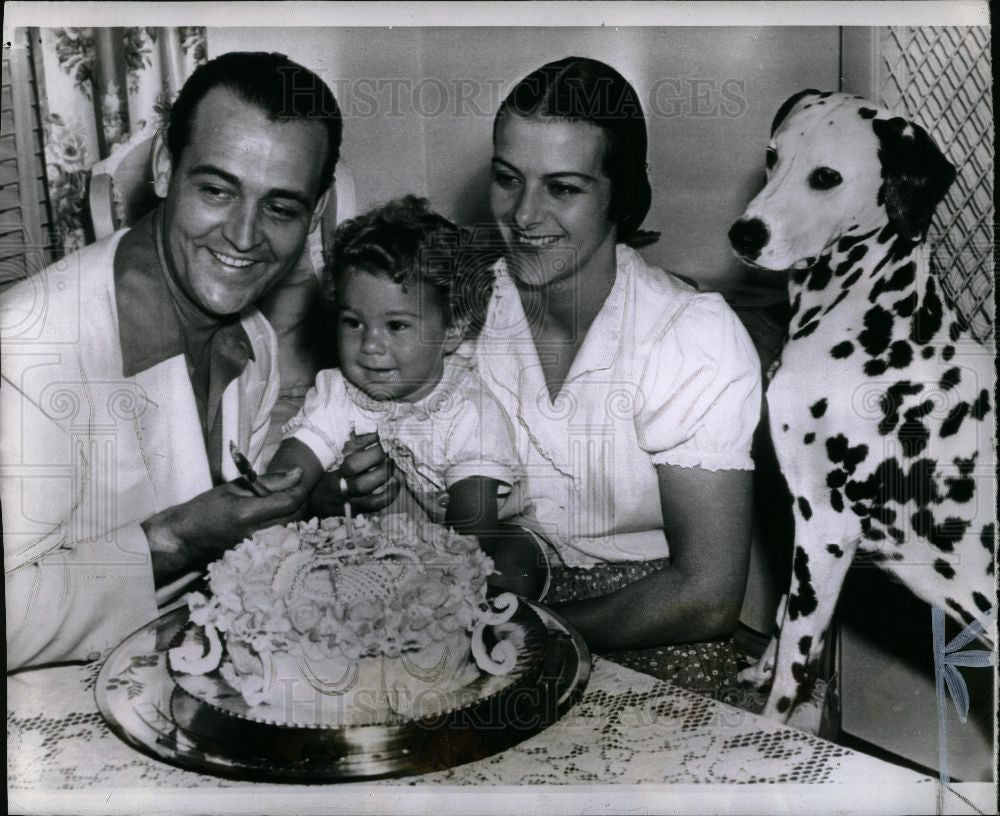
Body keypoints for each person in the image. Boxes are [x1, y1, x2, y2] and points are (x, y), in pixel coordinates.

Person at [317, 57, 763, 695]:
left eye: (563, 188)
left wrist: (517, 631)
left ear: (621, 194)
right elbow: (426, 500)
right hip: (489, 596)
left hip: (645, 625)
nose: (524, 215)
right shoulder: (460, 309)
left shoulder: (689, 336)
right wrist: (366, 484)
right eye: (508, 179)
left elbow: (706, 595)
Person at [1, 51, 359, 670]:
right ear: (165, 166)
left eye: (281, 207)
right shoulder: (25, 349)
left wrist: (306, 497)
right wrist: (174, 539)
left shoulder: (256, 337)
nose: (244, 237)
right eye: (217, 190)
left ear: (318, 210)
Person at [267, 195, 543, 596]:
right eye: (353, 323)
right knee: (303, 564)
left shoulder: (469, 410)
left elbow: (472, 534)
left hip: (475, 537)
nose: (370, 346)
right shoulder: (338, 393)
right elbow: (287, 477)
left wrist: (430, 585)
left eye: (395, 326)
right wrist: (277, 510)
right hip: (380, 537)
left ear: (453, 329)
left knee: (507, 571)